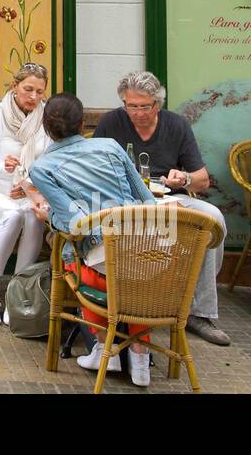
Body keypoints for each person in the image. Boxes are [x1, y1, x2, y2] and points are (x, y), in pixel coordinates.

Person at [92, 71, 232, 346]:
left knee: (213, 218)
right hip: (125, 200)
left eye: (145, 106)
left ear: (158, 103)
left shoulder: (176, 125)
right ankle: (124, 303)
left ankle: (199, 312)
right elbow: (93, 164)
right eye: (131, 106)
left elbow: (202, 179)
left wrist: (185, 178)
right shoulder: (112, 122)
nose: (138, 113)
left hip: (168, 198)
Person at [29, 93, 158, 388]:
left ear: (47, 127)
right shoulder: (110, 146)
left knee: (69, 255)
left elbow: (76, 226)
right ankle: (140, 359)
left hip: (105, 259)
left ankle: (104, 349)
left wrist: (47, 216)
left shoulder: (42, 167)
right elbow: (146, 199)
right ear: (82, 122)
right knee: (132, 276)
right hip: (151, 254)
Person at [0, 63, 51, 325]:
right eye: (28, 89)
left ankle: (18, 292)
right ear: (15, 86)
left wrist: (28, 183)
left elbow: (50, 161)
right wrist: (3, 170)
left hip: (28, 191)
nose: (34, 97)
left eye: (39, 91)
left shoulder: (46, 119)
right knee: (14, 215)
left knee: (33, 216)